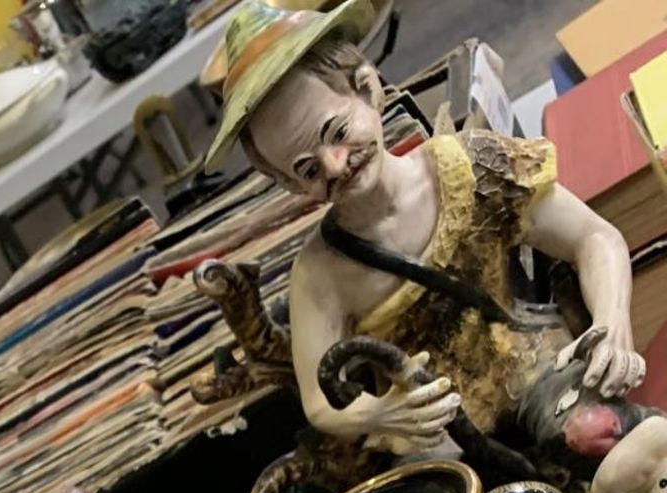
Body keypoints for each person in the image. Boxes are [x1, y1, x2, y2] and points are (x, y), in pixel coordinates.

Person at [205, 0, 646, 454]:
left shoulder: (471, 168)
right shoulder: (321, 274)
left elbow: (594, 238)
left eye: (338, 132)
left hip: (540, 378)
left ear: (368, 88)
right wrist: (380, 413)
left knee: (601, 440)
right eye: (306, 169)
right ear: (285, 181)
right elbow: (319, 403)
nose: (335, 165)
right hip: (440, 437)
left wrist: (613, 323)